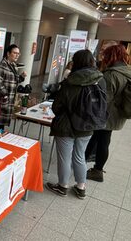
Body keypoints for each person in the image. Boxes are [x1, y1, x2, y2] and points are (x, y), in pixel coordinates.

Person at [46, 50, 105, 200]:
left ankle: (62, 186)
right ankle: (81, 187)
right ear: (92, 62)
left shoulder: (70, 81)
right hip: (88, 125)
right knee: (79, 156)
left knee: (65, 157)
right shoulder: (100, 79)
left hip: (67, 126)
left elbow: (56, 107)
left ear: (76, 62)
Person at [86, 44, 131, 182]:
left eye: (106, 55)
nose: (104, 57)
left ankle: (98, 170)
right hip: (118, 114)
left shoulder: (111, 75)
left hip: (107, 115)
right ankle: (85, 158)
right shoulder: (127, 71)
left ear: (112, 56)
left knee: (103, 140)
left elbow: (104, 99)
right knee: (99, 137)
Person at [0, 44, 27, 130]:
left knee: (1, 128)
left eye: (18, 53)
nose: (17, 55)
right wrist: (6, 96)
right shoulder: (1, 66)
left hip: (7, 102)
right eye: (15, 53)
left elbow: (14, 81)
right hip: (0, 103)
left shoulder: (13, 65)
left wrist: (22, 77)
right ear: (8, 54)